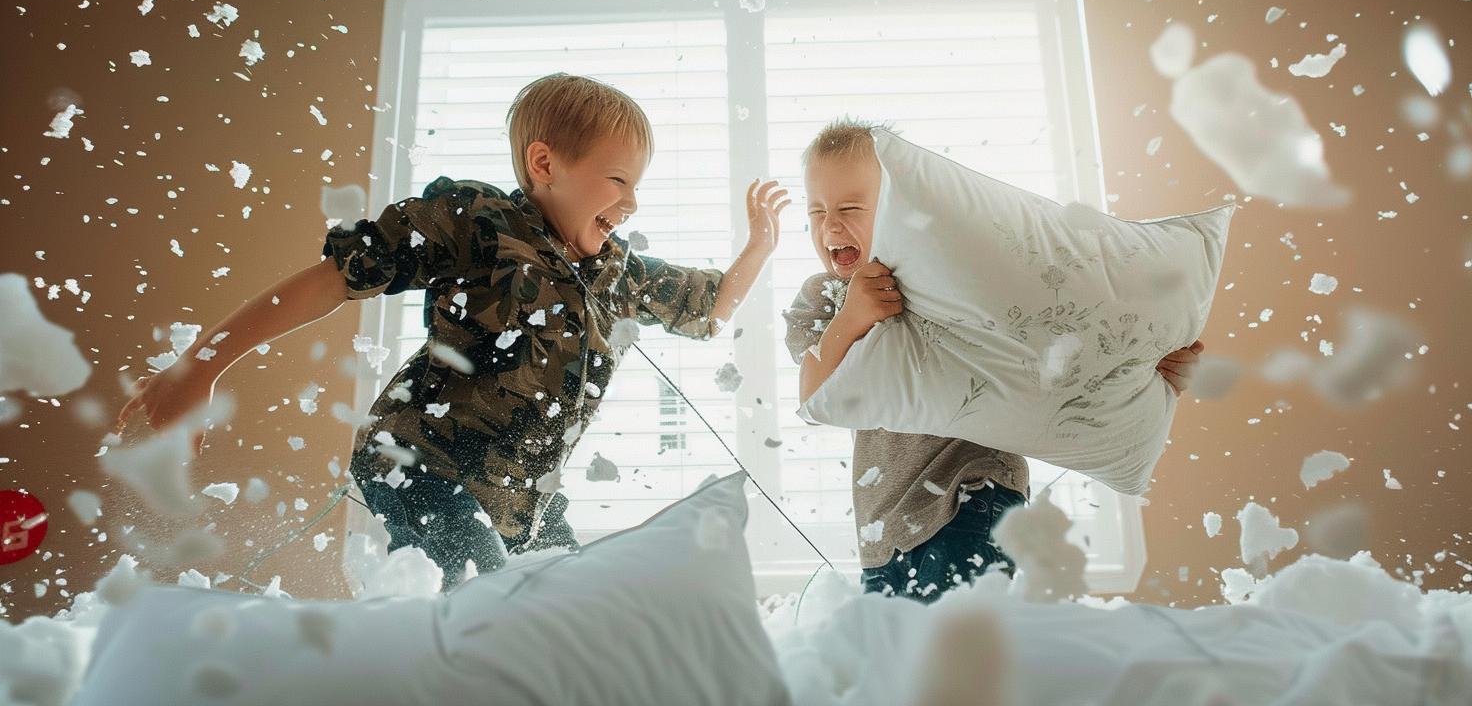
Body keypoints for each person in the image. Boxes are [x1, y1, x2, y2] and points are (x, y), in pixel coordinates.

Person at [115, 73, 791, 586]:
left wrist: (760, 245)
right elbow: (333, 279)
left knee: (575, 611)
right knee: (484, 597)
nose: (632, 201)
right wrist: (201, 366)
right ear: (545, 164)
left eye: (637, 184)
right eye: (617, 179)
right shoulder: (478, 221)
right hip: (422, 465)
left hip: (524, 497)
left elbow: (711, 308)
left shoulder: (616, 271)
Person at [782, 118, 1201, 603]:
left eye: (850, 207)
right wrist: (852, 315)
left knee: (962, 647)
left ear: (898, 205)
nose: (830, 225)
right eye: (815, 211)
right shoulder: (825, 296)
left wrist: (1153, 367)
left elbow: (1059, 334)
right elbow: (814, 391)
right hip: (882, 525)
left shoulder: (952, 270)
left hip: (973, 491)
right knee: (900, 662)